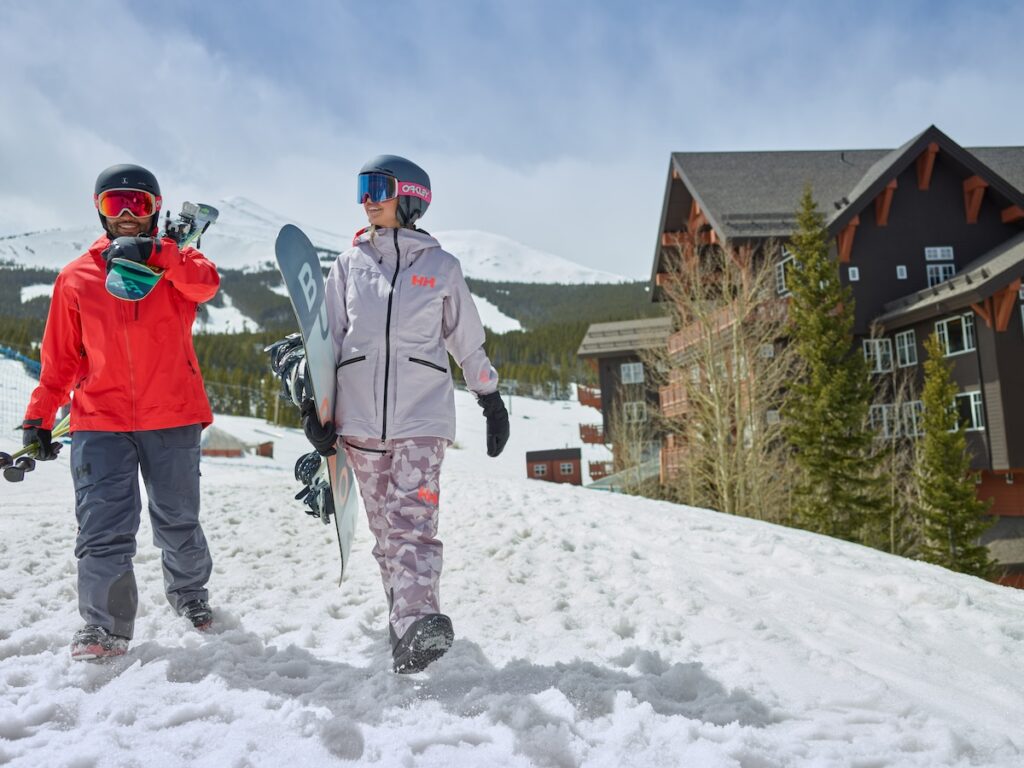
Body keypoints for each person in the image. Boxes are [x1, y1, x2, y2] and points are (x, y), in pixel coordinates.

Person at [301, 154, 510, 673]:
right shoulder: (348, 266)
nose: (367, 198)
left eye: (378, 187)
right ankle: (406, 625)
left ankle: (419, 620)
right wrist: (315, 407)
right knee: (385, 533)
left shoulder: (441, 269)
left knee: (412, 524)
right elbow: (325, 341)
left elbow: (468, 341)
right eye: (362, 188)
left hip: (421, 419)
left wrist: (490, 396)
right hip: (359, 425)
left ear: (411, 197)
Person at [22, 163, 220, 660]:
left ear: (156, 210)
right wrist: (39, 417)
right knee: (102, 526)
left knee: (177, 517)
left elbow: (206, 284)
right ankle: (103, 628)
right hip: (99, 421)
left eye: (140, 204)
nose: (128, 214)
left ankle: (191, 596)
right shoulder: (77, 277)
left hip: (172, 414)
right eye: (116, 204)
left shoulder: (176, 263)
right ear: (100, 211)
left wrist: (161, 254)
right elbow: (60, 360)